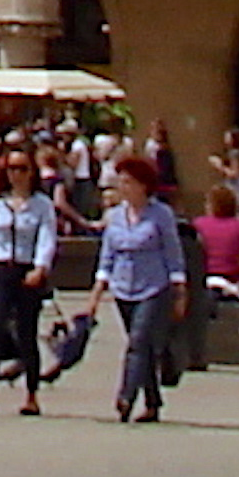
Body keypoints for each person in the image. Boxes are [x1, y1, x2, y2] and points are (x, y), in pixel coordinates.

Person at [98, 153, 185, 423]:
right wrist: (99, 287)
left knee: (138, 341)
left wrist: (180, 289)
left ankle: (126, 396)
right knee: (142, 346)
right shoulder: (114, 216)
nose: (122, 187)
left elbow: (173, 252)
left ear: (143, 185)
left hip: (153, 287)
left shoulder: (161, 214)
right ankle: (153, 401)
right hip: (123, 287)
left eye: (128, 182)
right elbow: (107, 254)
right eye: (120, 182)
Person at [0, 149, 52, 417]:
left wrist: (40, 267)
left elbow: (47, 237)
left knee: (26, 333)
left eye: (22, 168)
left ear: (32, 172)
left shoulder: (41, 205)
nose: (16, 175)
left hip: (27, 270)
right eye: (11, 169)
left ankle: (31, 396)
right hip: (1, 269)